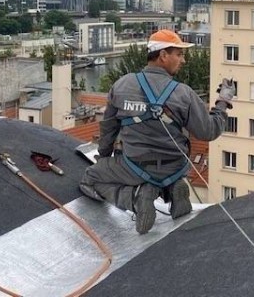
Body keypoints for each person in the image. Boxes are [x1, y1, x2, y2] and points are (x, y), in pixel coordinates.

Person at [79, 29, 235, 234]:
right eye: (179, 54)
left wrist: (106, 159)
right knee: (162, 175)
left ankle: (135, 198)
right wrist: (223, 101)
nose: (183, 60)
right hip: (176, 168)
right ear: (163, 55)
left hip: (135, 167)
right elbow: (209, 131)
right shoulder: (183, 93)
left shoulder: (121, 85)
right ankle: (171, 190)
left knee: (90, 178)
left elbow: (108, 128)